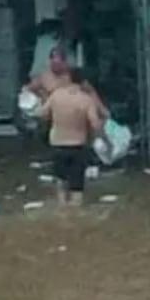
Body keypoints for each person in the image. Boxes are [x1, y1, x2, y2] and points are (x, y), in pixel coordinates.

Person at [40, 68, 106, 206]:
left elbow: (43, 114)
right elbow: (95, 125)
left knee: (61, 186)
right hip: (78, 148)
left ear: (68, 78)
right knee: (77, 190)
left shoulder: (56, 95)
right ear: (84, 82)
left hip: (58, 145)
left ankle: (62, 214)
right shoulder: (86, 100)